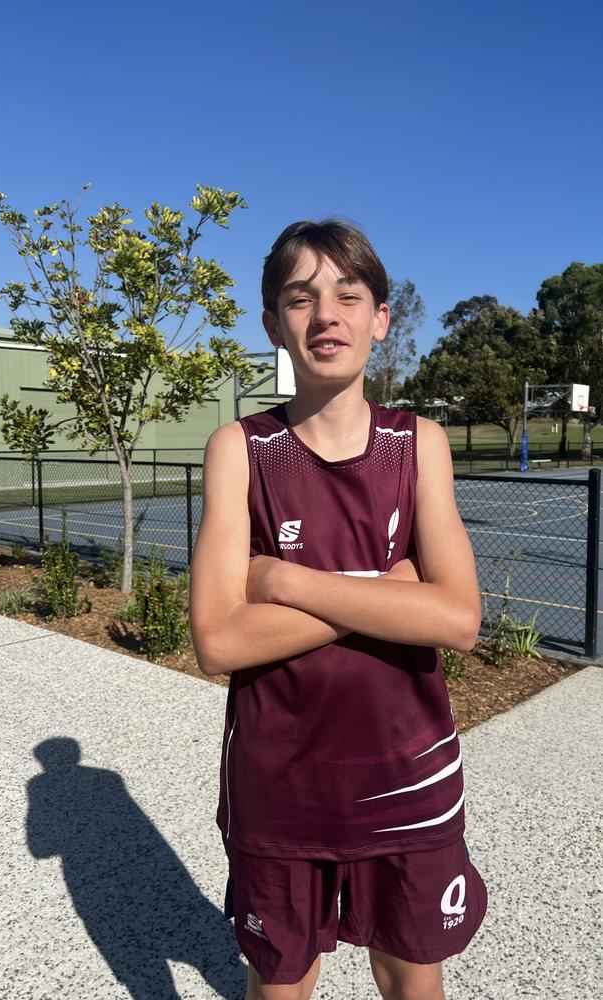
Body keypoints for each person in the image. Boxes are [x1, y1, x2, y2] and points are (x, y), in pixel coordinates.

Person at [190, 220, 487, 1000]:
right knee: (281, 985)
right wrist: (390, 595)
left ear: (379, 318)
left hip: (409, 782)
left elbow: (458, 619)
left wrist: (289, 584)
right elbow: (218, 640)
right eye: (301, 298)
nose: (327, 315)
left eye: (348, 296)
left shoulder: (419, 444)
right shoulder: (240, 450)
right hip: (280, 790)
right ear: (271, 324)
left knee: (412, 979)